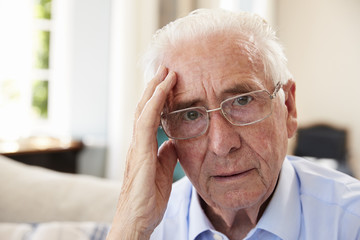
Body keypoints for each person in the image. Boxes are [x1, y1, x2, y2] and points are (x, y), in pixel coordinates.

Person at [107, 9, 360, 240]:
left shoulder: (351, 221)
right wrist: (133, 225)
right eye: (191, 115)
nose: (222, 145)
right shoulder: (149, 229)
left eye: (242, 101)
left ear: (289, 108)